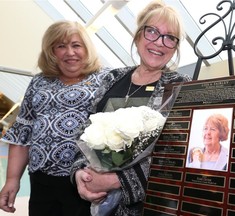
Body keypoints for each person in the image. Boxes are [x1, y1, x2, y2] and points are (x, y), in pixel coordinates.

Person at [71, 0, 192, 215]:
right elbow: (85, 131)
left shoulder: (181, 87)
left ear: (175, 48)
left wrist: (118, 180)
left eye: (170, 37)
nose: (160, 42)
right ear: (137, 36)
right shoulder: (111, 78)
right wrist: (81, 173)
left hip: (148, 208)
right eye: (152, 31)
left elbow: (178, 155)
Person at [0, 21, 111, 216]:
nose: (70, 52)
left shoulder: (105, 79)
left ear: (87, 48)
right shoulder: (39, 81)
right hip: (41, 181)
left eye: (76, 45)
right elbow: (23, 132)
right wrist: (12, 179)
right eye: (61, 46)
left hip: (85, 181)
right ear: (51, 51)